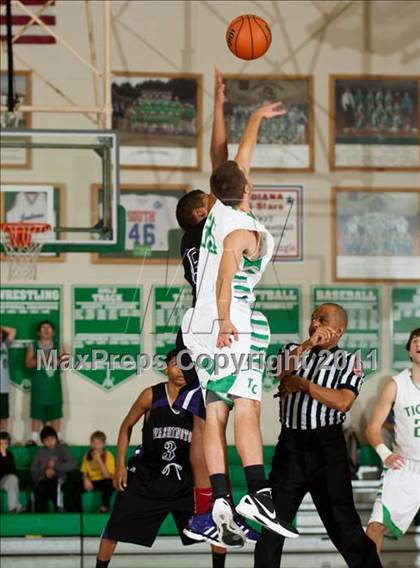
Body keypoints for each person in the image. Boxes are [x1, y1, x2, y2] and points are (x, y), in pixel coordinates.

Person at [181, 94, 298, 547]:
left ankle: (219, 501)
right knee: (247, 407)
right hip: (230, 324)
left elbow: (238, 160)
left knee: (215, 410)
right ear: (247, 188)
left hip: (199, 325)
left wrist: (254, 118)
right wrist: (227, 319)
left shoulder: (217, 213)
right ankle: (258, 493)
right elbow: (225, 278)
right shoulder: (242, 230)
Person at [254, 303, 383, 567]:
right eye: (313, 318)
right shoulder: (294, 349)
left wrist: (303, 384)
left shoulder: (350, 361)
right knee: (271, 526)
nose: (315, 323)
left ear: (339, 330)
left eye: (322, 320)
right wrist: (308, 344)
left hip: (327, 449)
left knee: (344, 528)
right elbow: (278, 371)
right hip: (290, 447)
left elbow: (343, 401)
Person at [95, 351, 195, 568]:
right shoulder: (151, 395)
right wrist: (120, 465)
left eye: (187, 365)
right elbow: (126, 426)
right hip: (146, 476)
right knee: (114, 527)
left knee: (217, 523)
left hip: (183, 479)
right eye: (176, 364)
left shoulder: (197, 399)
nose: (181, 370)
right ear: (165, 368)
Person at [366, 327, 420, 553]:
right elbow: (372, 428)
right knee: (374, 528)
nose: (419, 344)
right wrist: (385, 454)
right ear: (409, 350)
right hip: (405, 466)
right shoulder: (395, 385)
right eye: (415, 341)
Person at [26, 321, 65, 444]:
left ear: (53, 332)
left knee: (55, 414)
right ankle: (33, 439)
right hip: (39, 386)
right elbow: (28, 363)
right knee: (36, 414)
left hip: (54, 387)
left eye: (49, 328)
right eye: (43, 328)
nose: (46, 330)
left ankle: (57, 439)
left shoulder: (58, 345)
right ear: (39, 332)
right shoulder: (33, 345)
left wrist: (51, 359)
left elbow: (65, 363)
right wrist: (44, 358)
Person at [31, 425, 79, 512]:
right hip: (44, 480)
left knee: (56, 483)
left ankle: (59, 509)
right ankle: (39, 514)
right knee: (40, 488)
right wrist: (45, 472)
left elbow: (73, 464)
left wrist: (56, 465)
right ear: (42, 441)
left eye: (52, 439)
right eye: (47, 440)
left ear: (56, 438)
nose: (50, 442)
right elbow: (33, 470)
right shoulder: (40, 452)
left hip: (59, 479)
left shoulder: (62, 449)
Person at [81, 431, 115, 513]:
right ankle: (75, 510)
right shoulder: (87, 455)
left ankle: (104, 507)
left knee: (109, 483)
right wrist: (85, 479)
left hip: (103, 481)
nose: (96, 446)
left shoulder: (108, 455)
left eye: (99, 443)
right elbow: (84, 471)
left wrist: (99, 459)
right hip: (91, 481)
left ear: (103, 444)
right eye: (93, 443)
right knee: (74, 485)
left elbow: (107, 476)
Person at [0, 431, 23, 512]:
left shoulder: (9, 454)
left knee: (13, 479)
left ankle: (13, 508)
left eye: (5, 443)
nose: (2, 446)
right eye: (0, 443)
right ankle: (18, 506)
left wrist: (4, 456)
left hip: (4, 481)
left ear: (8, 444)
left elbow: (12, 471)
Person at [0, 326, 16, 430]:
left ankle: (3, 438)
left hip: (3, 389)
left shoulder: (4, 345)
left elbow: (13, 331)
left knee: (3, 418)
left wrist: (1, 327)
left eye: (1, 334)